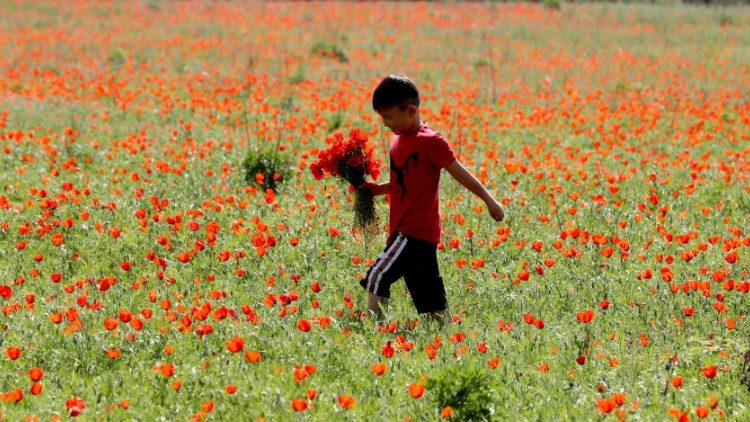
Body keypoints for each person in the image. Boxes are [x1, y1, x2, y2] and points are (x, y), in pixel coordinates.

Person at [358, 74, 504, 327]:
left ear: (411, 110)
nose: (385, 124)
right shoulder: (398, 141)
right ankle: (446, 336)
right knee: (429, 294)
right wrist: (375, 190)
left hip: (413, 230)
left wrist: (489, 200)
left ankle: (374, 330)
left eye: (389, 117)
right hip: (410, 231)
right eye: (382, 118)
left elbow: (460, 173)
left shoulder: (431, 141)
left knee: (377, 275)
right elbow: (403, 183)